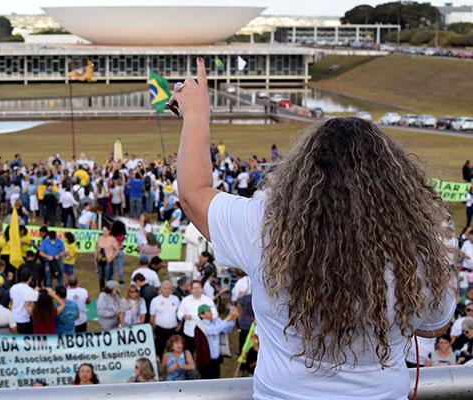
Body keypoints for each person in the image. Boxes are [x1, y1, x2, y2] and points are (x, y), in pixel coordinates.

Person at [171, 60, 455, 399]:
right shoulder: (414, 249)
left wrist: (196, 116)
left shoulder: (265, 226)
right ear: (395, 182)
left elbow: (193, 195)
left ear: (301, 175)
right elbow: (435, 325)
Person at [194, 304, 238, 379]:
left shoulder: (215, 321)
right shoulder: (200, 325)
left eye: (210, 310)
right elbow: (215, 330)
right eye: (208, 311)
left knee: (216, 378)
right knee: (207, 379)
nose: (210, 312)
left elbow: (226, 329)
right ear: (201, 315)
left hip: (216, 359)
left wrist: (233, 319)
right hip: (206, 360)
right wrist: (229, 317)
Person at [176, 280, 218, 353]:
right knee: (189, 352)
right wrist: (184, 316)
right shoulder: (185, 300)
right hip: (189, 331)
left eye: (199, 288)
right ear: (191, 289)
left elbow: (215, 314)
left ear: (202, 289)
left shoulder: (208, 300)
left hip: (204, 332)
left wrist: (204, 316)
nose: (197, 290)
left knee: (203, 353)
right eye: (195, 288)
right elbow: (179, 313)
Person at [150, 281, 181, 358]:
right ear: (161, 289)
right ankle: (159, 363)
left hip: (173, 329)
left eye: (169, 288)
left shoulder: (176, 299)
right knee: (159, 349)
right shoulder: (155, 300)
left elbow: (179, 313)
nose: (167, 290)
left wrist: (179, 324)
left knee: (173, 348)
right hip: (160, 330)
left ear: (172, 289)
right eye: (165, 288)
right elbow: (152, 316)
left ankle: (173, 363)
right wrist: (154, 328)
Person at [9, 269, 35, 334]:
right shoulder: (31, 290)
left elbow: (12, 302)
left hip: (13, 319)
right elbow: (31, 308)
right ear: (30, 278)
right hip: (25, 320)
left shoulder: (13, 287)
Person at [95, 225, 119, 290]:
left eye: (105, 230)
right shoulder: (99, 238)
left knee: (108, 277)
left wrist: (112, 257)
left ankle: (109, 290)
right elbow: (97, 249)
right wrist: (95, 259)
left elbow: (117, 249)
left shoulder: (112, 239)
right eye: (103, 230)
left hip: (108, 260)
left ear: (109, 231)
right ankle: (102, 290)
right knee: (101, 277)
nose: (104, 232)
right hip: (100, 260)